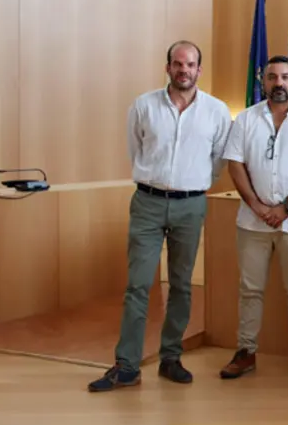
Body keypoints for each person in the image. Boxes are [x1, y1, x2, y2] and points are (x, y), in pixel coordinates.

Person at [88, 41, 231, 392]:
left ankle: (171, 357)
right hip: (148, 202)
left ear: (199, 70)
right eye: (178, 64)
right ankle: (127, 366)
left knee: (181, 284)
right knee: (138, 284)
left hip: (191, 204)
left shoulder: (216, 111)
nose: (184, 70)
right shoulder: (143, 106)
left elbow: (218, 161)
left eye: (191, 64)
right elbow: (135, 149)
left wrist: (192, 184)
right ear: (167, 67)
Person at [218, 56, 288, 382]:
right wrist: (256, 205)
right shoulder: (245, 120)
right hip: (251, 222)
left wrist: (286, 208)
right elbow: (235, 164)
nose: (278, 83)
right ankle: (245, 351)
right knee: (250, 289)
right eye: (272, 77)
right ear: (263, 81)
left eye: (285, 77)